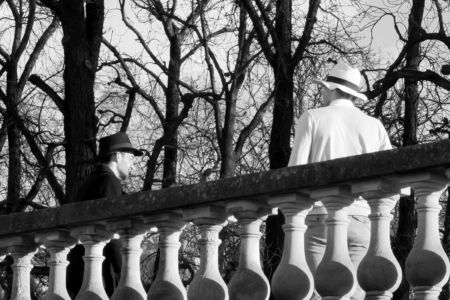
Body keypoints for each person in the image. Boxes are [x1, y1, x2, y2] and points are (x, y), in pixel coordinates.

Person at [288, 62, 392, 300]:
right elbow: (390, 181)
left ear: (332, 89)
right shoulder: (374, 126)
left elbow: (295, 174)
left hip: (320, 218)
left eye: (324, 88)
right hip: (362, 220)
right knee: (354, 296)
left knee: (320, 293)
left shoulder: (312, 117)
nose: (322, 93)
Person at [66, 132, 143, 298]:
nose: (133, 166)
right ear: (118, 156)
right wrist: (126, 275)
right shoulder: (110, 182)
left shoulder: (91, 182)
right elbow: (113, 234)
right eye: (130, 159)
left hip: (80, 276)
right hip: (99, 281)